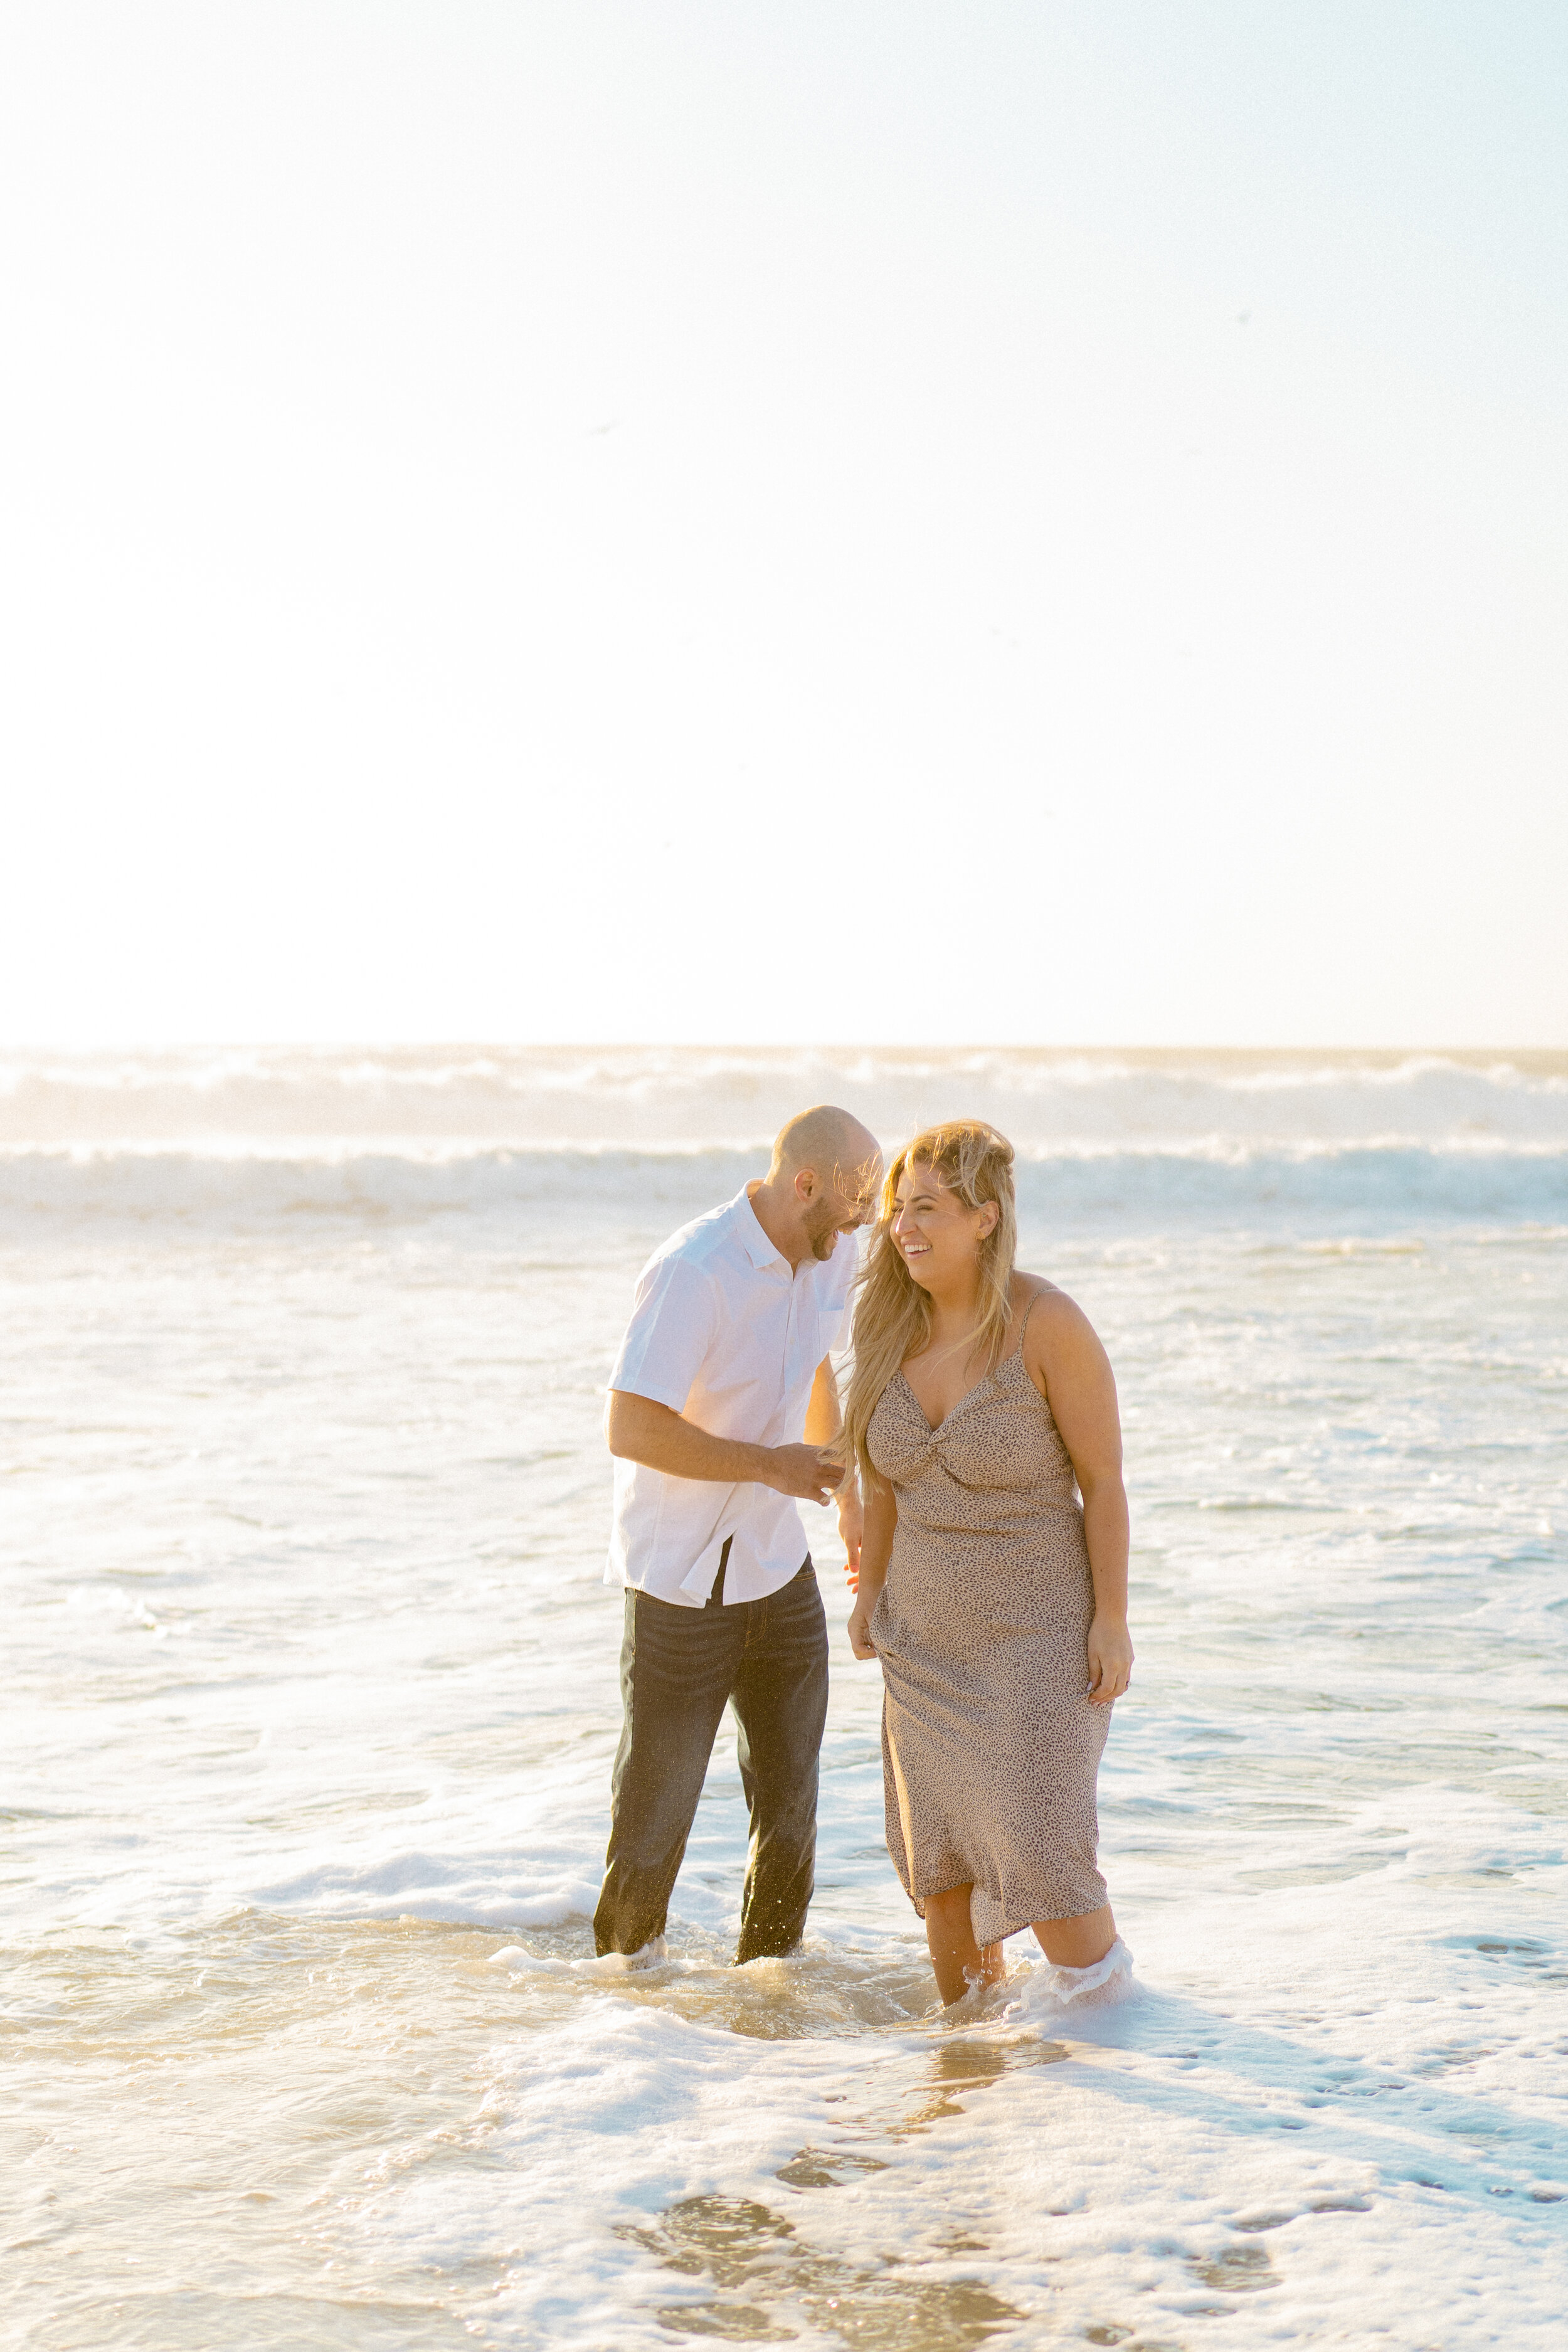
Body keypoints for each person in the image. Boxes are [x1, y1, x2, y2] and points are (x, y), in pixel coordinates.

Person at [842, 1120, 1133, 2006]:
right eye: (898, 1210)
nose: (904, 1226)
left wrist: (1112, 1617)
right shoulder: (887, 1324)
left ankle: (1130, 2065)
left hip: (1036, 1645)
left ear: (985, 1215)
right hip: (922, 1649)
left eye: (926, 1207)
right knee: (943, 1882)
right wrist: (871, 1595)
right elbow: (884, 1486)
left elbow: (1104, 1481)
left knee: (1050, 1865)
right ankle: (973, 2082)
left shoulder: (1047, 1324)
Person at [595, 1104, 882, 1963]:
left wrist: (846, 1490)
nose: (870, 1213)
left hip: (776, 1570)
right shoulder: (696, 1271)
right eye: (859, 1194)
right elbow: (630, 1426)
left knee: (791, 1814)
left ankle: (769, 2011)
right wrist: (771, 1465)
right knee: (652, 1828)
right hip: (679, 1584)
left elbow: (820, 1361)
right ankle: (617, 2013)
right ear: (807, 1185)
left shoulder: (832, 1254)